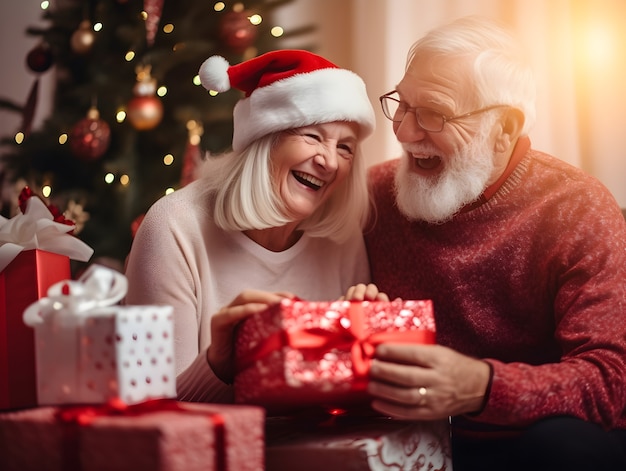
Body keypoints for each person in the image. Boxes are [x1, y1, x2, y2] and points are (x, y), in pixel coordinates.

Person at [364, 15, 626, 471]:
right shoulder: (374, 193)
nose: (404, 133)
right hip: (412, 436)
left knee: (563, 449)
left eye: (433, 114)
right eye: (401, 105)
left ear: (505, 127)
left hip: (536, 441)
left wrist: (483, 387)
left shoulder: (577, 207)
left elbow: (609, 380)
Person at [124, 49, 381, 403]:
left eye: (346, 148)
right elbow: (148, 407)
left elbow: (341, 398)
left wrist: (365, 347)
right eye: (312, 136)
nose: (330, 161)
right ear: (265, 139)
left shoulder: (341, 237)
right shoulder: (173, 226)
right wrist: (219, 365)